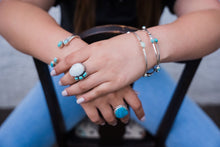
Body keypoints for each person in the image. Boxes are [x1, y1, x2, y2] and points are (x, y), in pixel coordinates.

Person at [0, 0, 220, 147]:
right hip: (71, 77)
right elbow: (11, 8)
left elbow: (212, 16)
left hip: (141, 75)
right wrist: (85, 62)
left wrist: (140, 47)